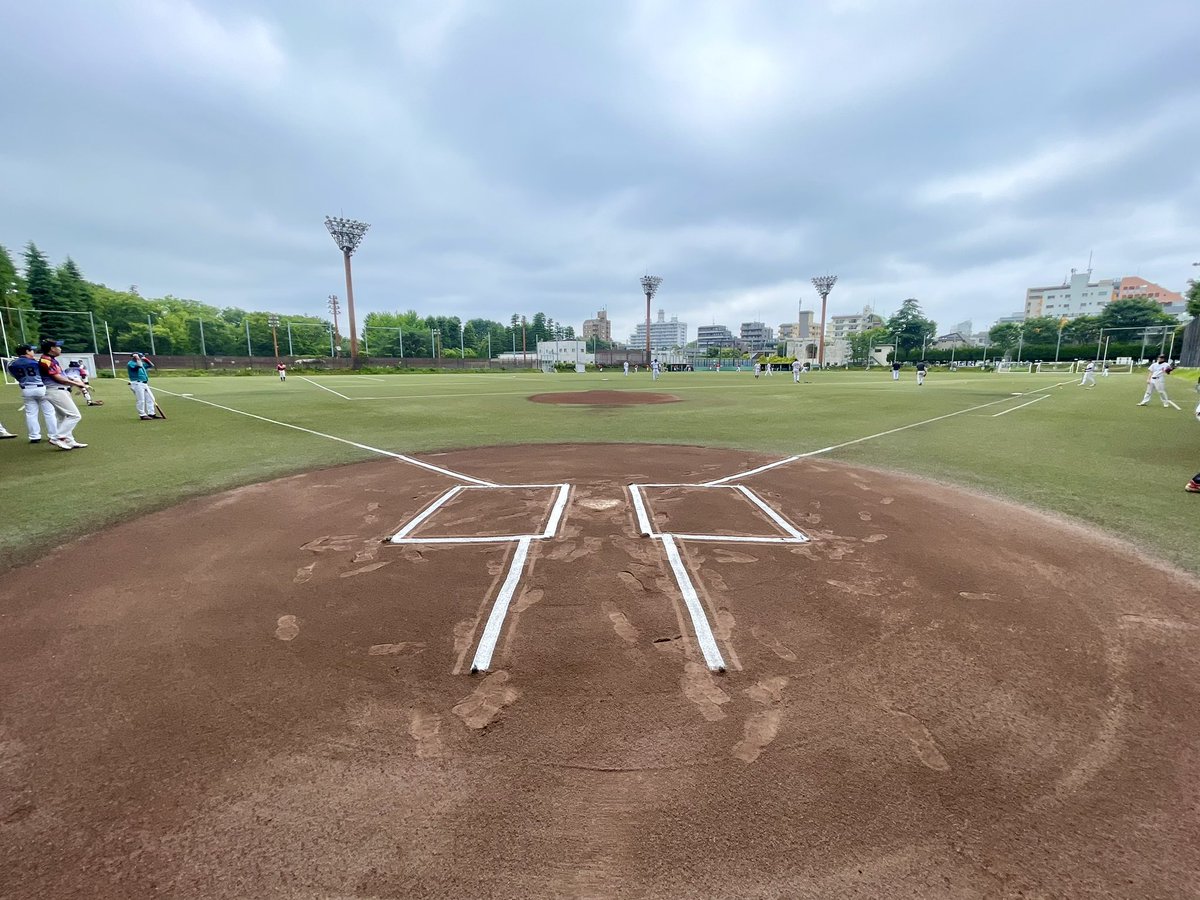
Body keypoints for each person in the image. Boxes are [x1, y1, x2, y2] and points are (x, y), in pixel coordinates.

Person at [37, 339, 87, 448]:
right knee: (74, 415)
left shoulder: (51, 360)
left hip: (58, 390)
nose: (60, 348)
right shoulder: (46, 360)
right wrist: (76, 383)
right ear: (52, 349)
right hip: (56, 390)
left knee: (63, 417)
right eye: (58, 346)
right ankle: (58, 437)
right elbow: (58, 378)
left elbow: (62, 375)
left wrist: (75, 381)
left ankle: (69, 440)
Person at [7, 344, 59, 445]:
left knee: (31, 414)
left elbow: (14, 375)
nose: (33, 352)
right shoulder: (36, 363)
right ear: (27, 351)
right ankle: (53, 435)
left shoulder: (12, 364)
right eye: (31, 350)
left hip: (26, 389)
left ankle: (34, 436)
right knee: (49, 412)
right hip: (41, 387)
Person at [127, 352, 158, 420]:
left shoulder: (141, 362)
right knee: (141, 400)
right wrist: (138, 358)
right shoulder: (131, 363)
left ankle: (151, 413)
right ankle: (142, 414)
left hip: (144, 383)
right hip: (137, 383)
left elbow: (151, 365)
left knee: (151, 398)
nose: (141, 358)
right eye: (140, 357)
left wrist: (145, 359)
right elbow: (139, 366)